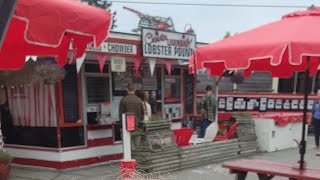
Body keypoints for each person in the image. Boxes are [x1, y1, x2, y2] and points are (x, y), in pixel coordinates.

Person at [119, 83, 144, 149]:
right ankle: (136, 159)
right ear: (135, 90)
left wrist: (121, 127)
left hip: (126, 128)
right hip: (137, 127)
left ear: (127, 89)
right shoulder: (139, 100)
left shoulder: (123, 100)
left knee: (128, 148)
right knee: (137, 147)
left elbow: (121, 115)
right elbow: (142, 115)